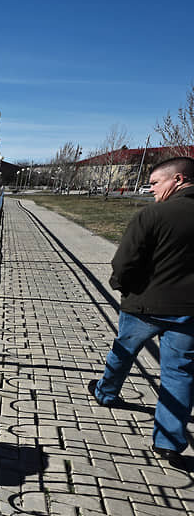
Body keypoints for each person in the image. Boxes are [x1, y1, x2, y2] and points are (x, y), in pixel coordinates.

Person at [90, 156, 194, 469]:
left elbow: (124, 261)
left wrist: (122, 285)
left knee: (123, 351)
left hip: (144, 304)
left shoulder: (152, 215)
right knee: (180, 373)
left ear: (177, 180)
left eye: (155, 183)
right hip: (188, 311)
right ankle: (168, 442)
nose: (151, 190)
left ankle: (106, 393)